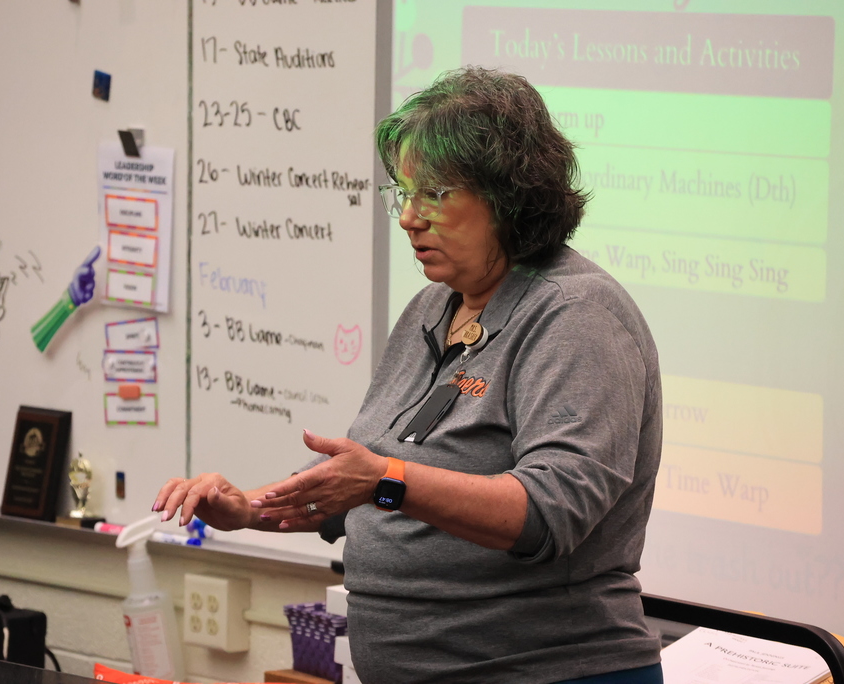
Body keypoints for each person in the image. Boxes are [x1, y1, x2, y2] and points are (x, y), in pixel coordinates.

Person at [155, 67, 663, 684]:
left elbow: (549, 513)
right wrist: (248, 508)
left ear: (506, 196)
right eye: (403, 194)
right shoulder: (433, 307)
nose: (408, 219)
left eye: (435, 195)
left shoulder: (576, 315)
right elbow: (358, 478)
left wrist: (387, 481)